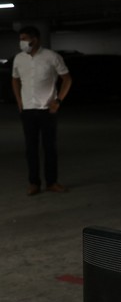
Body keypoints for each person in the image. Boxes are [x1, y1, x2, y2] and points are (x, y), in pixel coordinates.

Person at [11, 25, 72, 196]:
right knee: (30, 148)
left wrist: (58, 101)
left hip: (47, 110)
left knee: (49, 147)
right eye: (20, 39)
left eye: (24, 39)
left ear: (35, 39)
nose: (21, 42)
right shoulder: (19, 59)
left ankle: (52, 182)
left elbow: (67, 79)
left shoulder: (52, 57)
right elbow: (15, 79)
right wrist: (19, 101)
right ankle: (34, 183)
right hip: (27, 110)